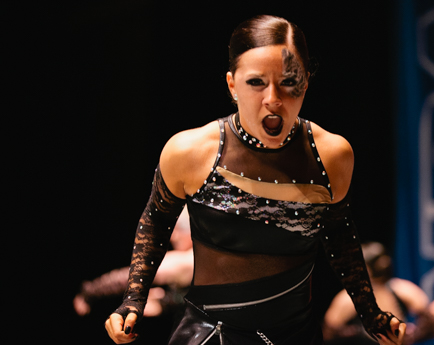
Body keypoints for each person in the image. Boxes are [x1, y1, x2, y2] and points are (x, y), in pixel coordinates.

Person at [105, 15, 406, 345]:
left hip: (296, 336)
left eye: (290, 81)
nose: (274, 98)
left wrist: (370, 313)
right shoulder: (189, 151)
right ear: (232, 85)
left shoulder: (333, 155)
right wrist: (133, 300)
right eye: (256, 82)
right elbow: (156, 222)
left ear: (307, 81)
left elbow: (339, 235)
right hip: (209, 336)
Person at [74, 207, 193, 317]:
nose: (174, 237)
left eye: (180, 229)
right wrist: (166, 301)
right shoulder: (202, 260)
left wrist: (90, 292)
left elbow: (133, 276)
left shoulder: (185, 261)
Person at [323, 242, 434, 344]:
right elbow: (330, 331)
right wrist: (358, 333)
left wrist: (410, 337)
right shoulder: (405, 289)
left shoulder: (402, 289)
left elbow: (431, 323)